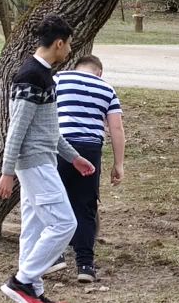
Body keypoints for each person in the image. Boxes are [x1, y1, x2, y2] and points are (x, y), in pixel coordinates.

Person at [0, 14, 95, 303]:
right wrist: (7, 171)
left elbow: (48, 131)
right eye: (70, 45)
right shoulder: (31, 76)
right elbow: (17, 129)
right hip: (35, 164)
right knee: (65, 223)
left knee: (33, 228)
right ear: (58, 44)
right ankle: (22, 281)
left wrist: (73, 157)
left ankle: (32, 298)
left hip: (41, 160)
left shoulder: (43, 75)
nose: (70, 51)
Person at [51, 55, 125, 283]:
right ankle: (85, 265)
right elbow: (116, 128)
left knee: (54, 200)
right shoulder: (107, 89)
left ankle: (54, 255)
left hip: (59, 145)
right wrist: (118, 164)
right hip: (90, 149)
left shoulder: (58, 79)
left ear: (77, 67)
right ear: (99, 72)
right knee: (85, 206)